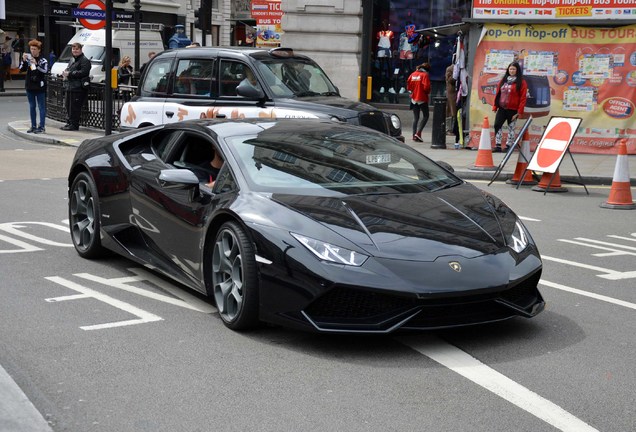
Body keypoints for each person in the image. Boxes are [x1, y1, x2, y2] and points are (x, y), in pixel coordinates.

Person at [492, 61, 527, 152]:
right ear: (508, 70)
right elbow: (498, 94)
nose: (512, 71)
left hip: (513, 110)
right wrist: (495, 106)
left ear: (517, 70)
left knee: (511, 127)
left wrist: (519, 112)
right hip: (502, 108)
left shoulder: (521, 82)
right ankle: (498, 145)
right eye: (510, 69)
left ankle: (508, 146)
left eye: (514, 69)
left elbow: (523, 98)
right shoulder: (503, 81)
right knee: (497, 125)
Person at [60, 42, 91, 131]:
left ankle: (74, 125)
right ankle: (69, 122)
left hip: (78, 88)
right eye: (73, 49)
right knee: (68, 106)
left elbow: (84, 72)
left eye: (77, 49)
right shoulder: (72, 59)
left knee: (74, 107)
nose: (75, 51)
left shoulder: (84, 60)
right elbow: (68, 69)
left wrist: (70, 73)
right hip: (70, 86)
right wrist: (65, 72)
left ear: (81, 50)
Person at [20, 39, 48, 133]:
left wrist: (36, 64)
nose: (32, 51)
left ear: (39, 50)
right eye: (31, 49)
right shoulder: (28, 59)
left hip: (39, 87)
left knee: (41, 107)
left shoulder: (43, 60)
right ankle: (33, 126)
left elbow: (45, 71)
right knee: (32, 107)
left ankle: (42, 127)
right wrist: (24, 60)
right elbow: (21, 69)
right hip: (30, 86)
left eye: (34, 49)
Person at [406, 62, 431, 142]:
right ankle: (418, 133)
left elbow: (408, 86)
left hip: (413, 99)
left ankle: (414, 135)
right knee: (426, 116)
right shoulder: (425, 75)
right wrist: (427, 92)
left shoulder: (413, 74)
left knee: (415, 117)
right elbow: (426, 87)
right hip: (422, 97)